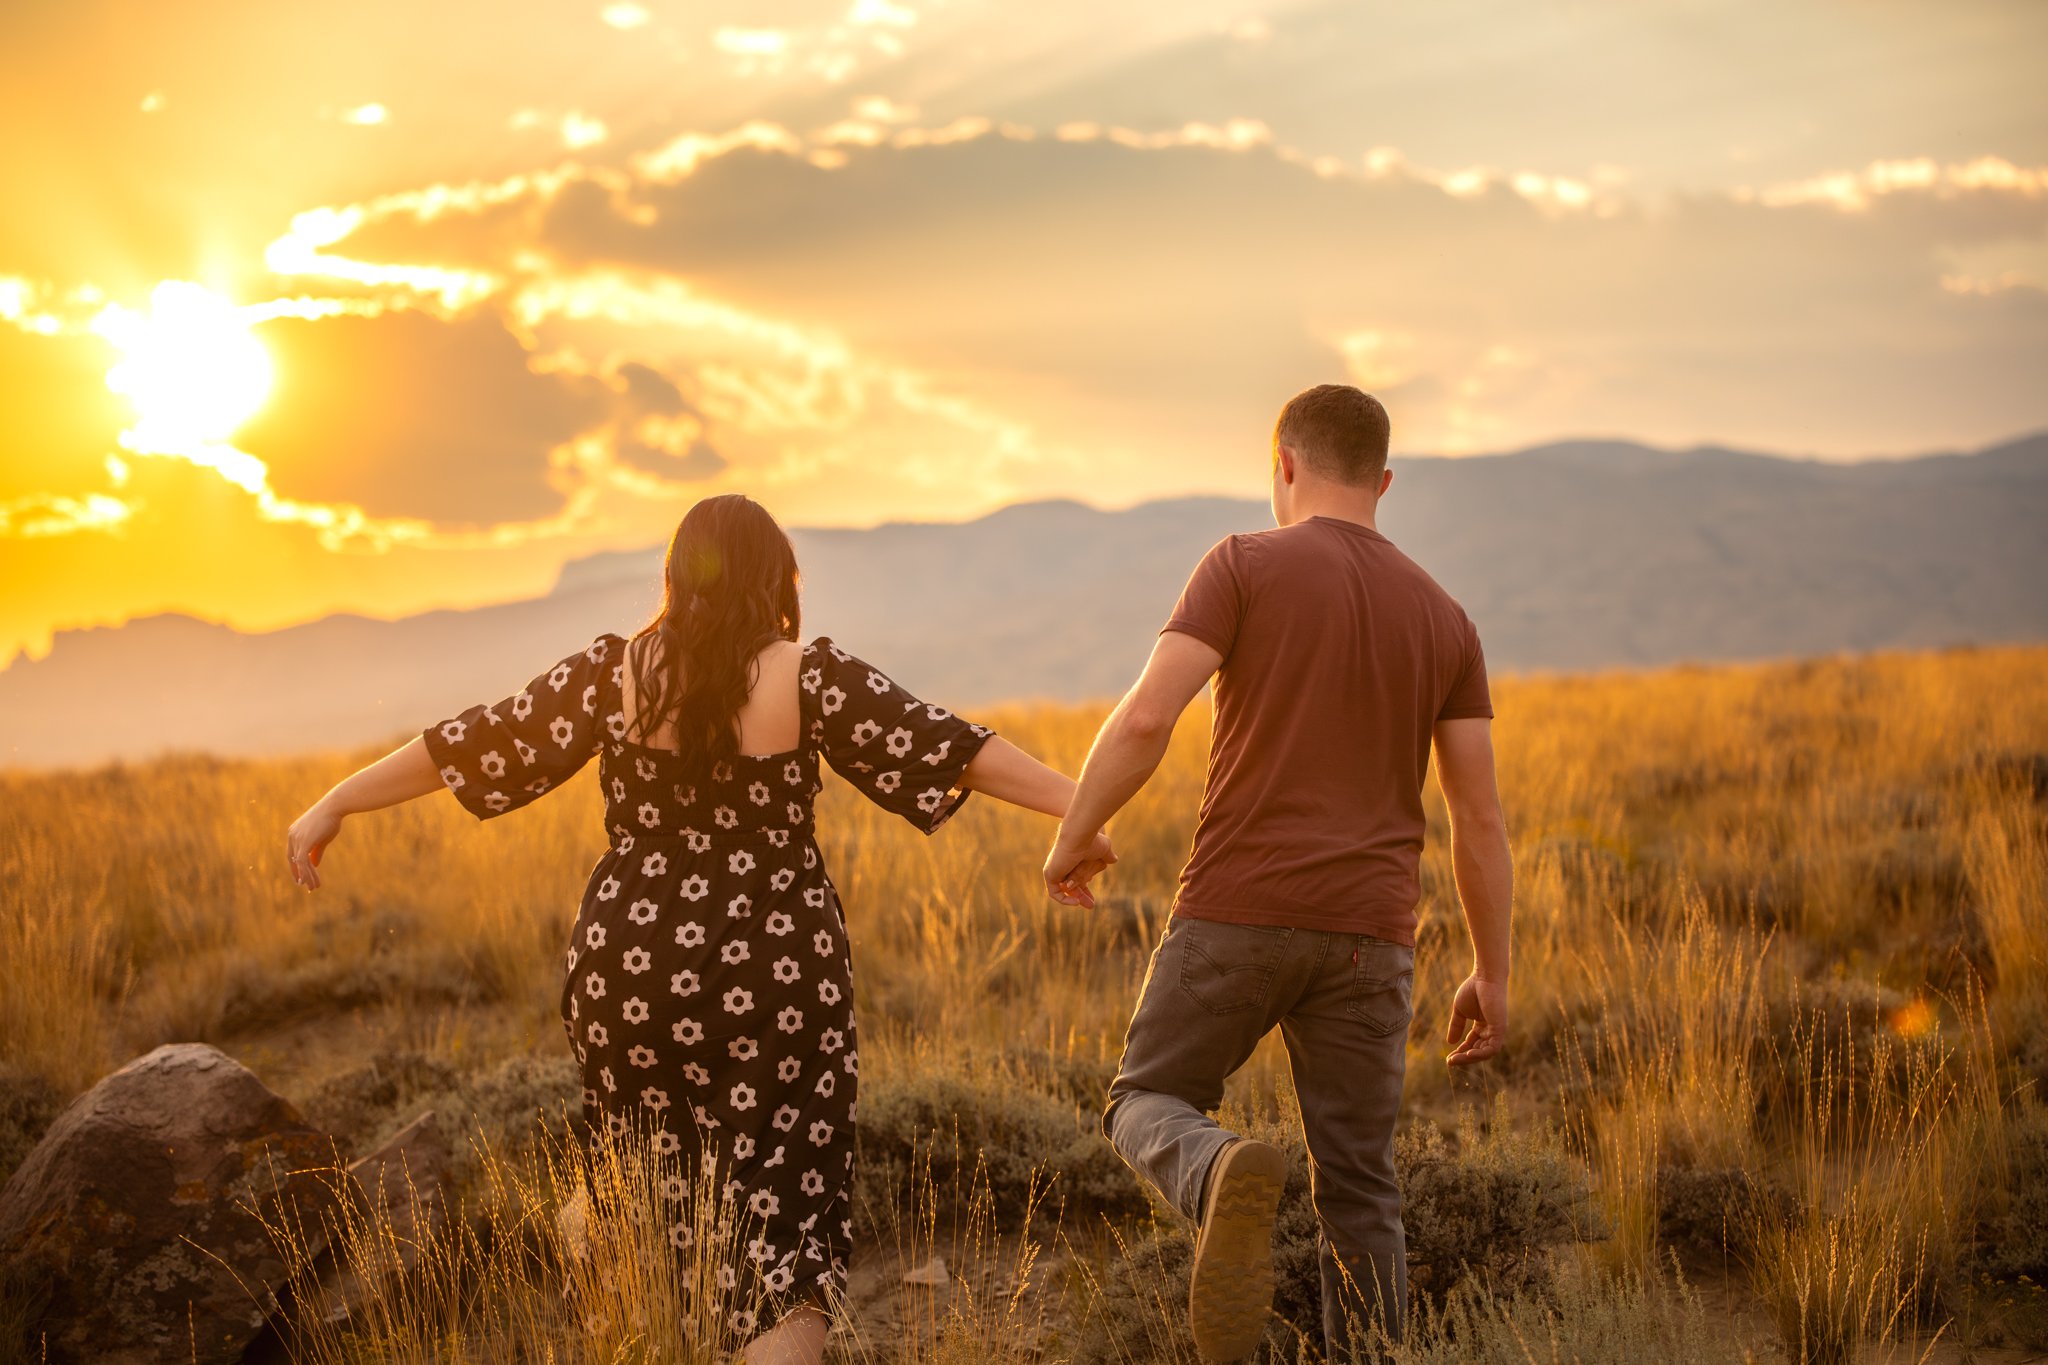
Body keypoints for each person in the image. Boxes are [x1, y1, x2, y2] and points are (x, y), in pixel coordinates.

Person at [285, 494, 1112, 1365]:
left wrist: (335, 798)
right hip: (774, 975)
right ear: (776, 580)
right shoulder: (809, 675)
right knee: (781, 1240)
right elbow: (952, 748)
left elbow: (474, 743)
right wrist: (1084, 810)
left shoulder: (612, 673)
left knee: (650, 1201)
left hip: (626, 973)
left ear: (674, 577)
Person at [1040, 384, 1514, 1363]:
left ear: (1282, 466)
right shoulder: (1445, 617)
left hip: (1238, 909)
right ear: (1382, 481)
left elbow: (1143, 719)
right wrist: (1491, 971)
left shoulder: (1241, 563)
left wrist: (1075, 832)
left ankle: (1214, 1175)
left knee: (1145, 1100)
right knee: (1359, 1187)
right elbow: (1478, 816)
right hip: (1371, 938)